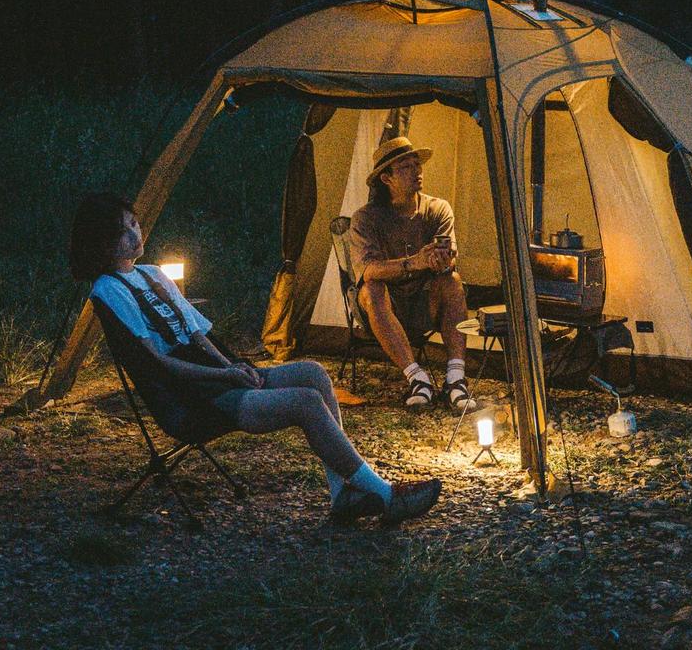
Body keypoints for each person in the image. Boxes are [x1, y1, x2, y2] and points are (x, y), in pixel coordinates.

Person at [69, 191, 440, 524]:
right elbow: (159, 365)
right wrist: (224, 378)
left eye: (135, 223)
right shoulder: (108, 290)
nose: (137, 234)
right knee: (306, 402)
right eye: (124, 231)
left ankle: (341, 493)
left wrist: (232, 367)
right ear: (102, 245)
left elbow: (197, 334)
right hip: (193, 399)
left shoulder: (153, 274)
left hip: (219, 379)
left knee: (313, 374)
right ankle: (385, 495)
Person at [349, 137, 478, 414]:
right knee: (371, 287)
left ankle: (456, 379)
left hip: (423, 302)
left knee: (452, 282)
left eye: (417, 165)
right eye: (405, 167)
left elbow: (448, 258)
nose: (416, 172)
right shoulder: (366, 218)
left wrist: (442, 261)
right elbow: (368, 269)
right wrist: (415, 262)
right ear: (386, 178)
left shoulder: (437, 209)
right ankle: (417, 379)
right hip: (382, 311)